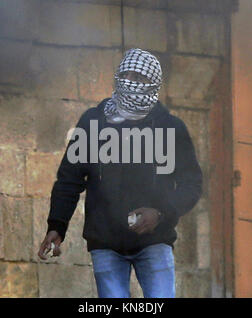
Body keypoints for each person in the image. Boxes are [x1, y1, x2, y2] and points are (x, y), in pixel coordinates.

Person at [38, 48, 203, 298]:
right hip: (106, 242)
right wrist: (57, 225)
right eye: (127, 75)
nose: (133, 83)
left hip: (155, 240)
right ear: (118, 78)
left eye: (140, 78)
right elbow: (69, 179)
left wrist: (160, 213)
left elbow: (192, 184)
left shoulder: (172, 128)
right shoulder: (93, 123)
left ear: (154, 83)